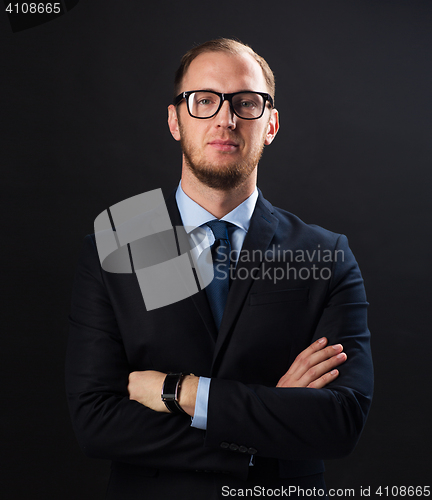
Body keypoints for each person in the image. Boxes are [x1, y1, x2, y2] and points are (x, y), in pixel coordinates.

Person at [66, 38, 373, 499]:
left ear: (270, 124)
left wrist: (180, 392)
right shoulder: (120, 243)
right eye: (204, 100)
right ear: (175, 120)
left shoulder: (325, 254)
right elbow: (97, 422)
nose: (225, 119)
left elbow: (339, 420)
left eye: (246, 103)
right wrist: (269, 422)